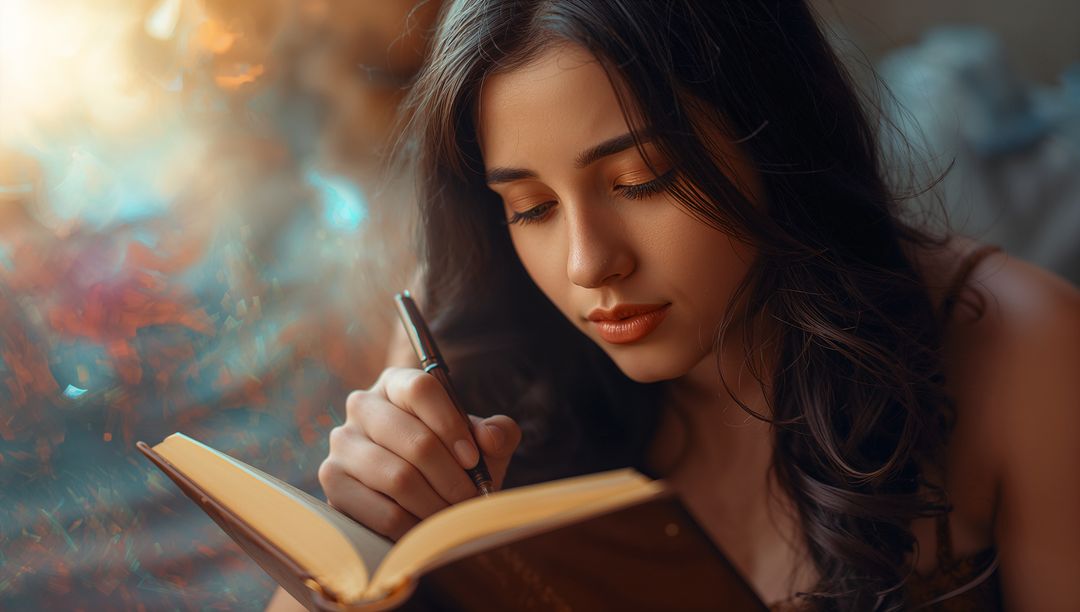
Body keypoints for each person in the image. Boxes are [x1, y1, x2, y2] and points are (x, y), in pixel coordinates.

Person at [268, 1, 1080, 610]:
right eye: (533, 208)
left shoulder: (1021, 348)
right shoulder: (473, 347)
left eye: (642, 181)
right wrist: (359, 535)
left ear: (772, 132)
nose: (590, 265)